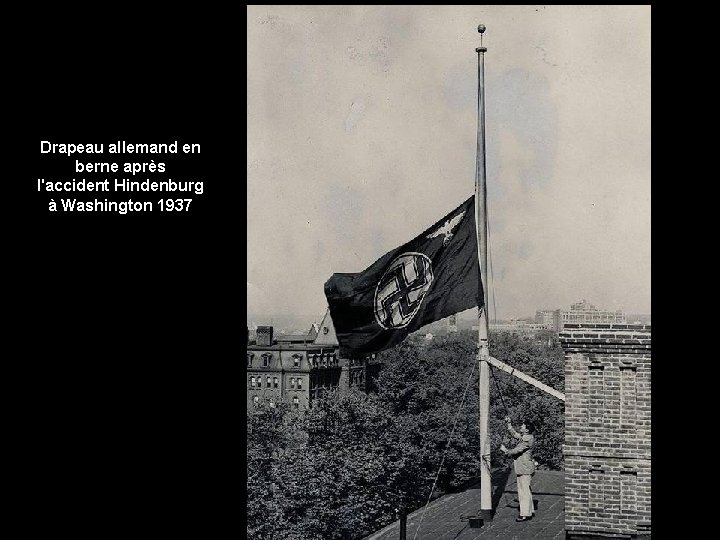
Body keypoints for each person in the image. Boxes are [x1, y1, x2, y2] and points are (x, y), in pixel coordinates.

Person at [500, 416, 536, 522]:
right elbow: (515, 434)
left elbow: (516, 450)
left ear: (527, 429)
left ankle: (525, 514)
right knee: (526, 490)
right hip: (525, 468)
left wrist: (505, 450)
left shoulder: (527, 439)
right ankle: (530, 511)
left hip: (524, 469)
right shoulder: (527, 437)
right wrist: (509, 424)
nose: (521, 426)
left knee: (523, 491)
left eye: (523, 425)